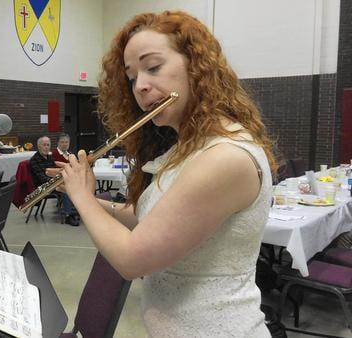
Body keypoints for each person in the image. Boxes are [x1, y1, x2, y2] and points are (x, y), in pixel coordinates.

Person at [56, 11, 277, 336]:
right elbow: (153, 220)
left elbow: (132, 260)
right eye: (132, 77)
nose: (141, 86)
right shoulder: (185, 148)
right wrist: (91, 198)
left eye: (153, 67)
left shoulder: (226, 157)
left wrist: (81, 199)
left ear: (197, 66)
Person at [30, 136, 80, 226]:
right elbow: (41, 178)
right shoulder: (34, 160)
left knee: (73, 184)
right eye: (44, 145)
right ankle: (69, 216)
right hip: (42, 186)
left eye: (48, 145)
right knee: (65, 188)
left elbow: (55, 170)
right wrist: (58, 180)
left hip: (52, 182)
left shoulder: (49, 157)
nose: (46, 147)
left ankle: (76, 212)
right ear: (39, 146)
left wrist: (60, 177)